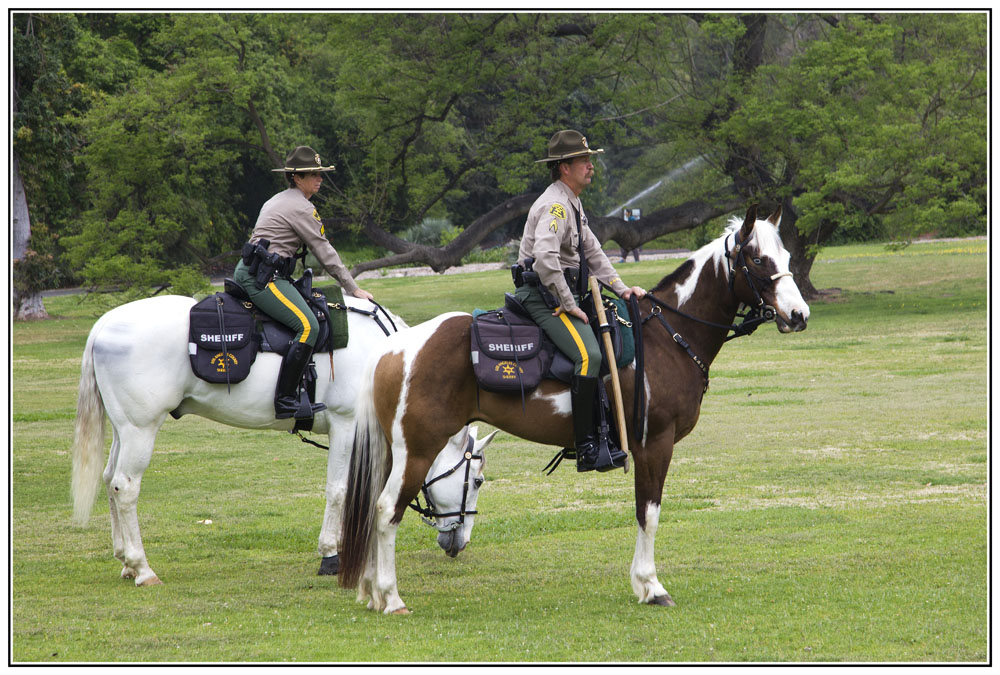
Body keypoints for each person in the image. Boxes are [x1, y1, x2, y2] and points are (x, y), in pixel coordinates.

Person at [513, 130, 646, 472]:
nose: (590, 166)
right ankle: (586, 445)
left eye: (589, 159)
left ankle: (604, 434)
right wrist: (568, 302)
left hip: (561, 292)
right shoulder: (556, 205)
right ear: (564, 168)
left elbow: (592, 251)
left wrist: (621, 287)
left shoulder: (572, 202)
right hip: (544, 296)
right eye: (583, 160)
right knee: (589, 356)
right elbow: (544, 258)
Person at [233, 146, 374, 420]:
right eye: (313, 174)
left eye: (320, 174)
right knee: (307, 326)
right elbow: (324, 251)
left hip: (258, 271)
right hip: (263, 279)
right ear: (297, 178)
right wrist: (352, 287)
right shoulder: (300, 207)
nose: (319, 179)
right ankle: (285, 400)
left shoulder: (279, 199)